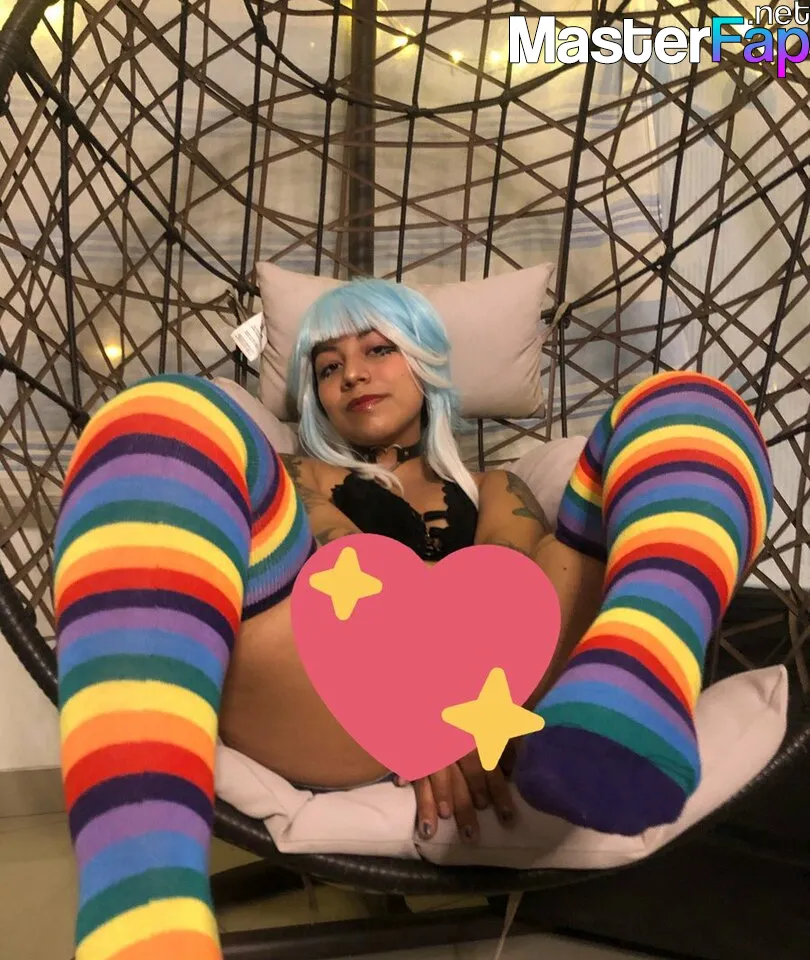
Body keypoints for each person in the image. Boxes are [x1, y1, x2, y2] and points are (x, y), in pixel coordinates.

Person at [54, 278, 773, 960]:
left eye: (378, 348)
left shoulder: (497, 484)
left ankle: (636, 674)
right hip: (331, 682)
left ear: (426, 363)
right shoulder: (301, 476)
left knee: (686, 402)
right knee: (163, 413)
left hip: (509, 679)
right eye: (328, 366)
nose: (351, 374)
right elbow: (336, 567)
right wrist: (428, 715)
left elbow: (518, 578)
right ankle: (143, 905)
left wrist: (468, 701)